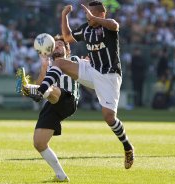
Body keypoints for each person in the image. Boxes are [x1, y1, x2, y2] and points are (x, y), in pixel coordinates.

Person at [25, 1, 134, 169]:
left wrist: (95, 18)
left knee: (109, 117)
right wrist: (64, 16)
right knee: (59, 62)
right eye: (86, 14)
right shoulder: (86, 29)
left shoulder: (108, 27)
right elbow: (67, 37)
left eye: (90, 14)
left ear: (101, 14)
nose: (87, 17)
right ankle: (40, 91)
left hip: (109, 76)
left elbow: (115, 24)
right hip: (91, 69)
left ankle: (127, 146)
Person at [18, 35, 80, 182]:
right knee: (39, 143)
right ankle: (61, 176)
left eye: (61, 44)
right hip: (52, 103)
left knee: (49, 89)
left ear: (67, 49)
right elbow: (41, 85)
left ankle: (31, 89)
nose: (58, 46)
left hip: (68, 99)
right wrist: (44, 67)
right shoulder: (50, 65)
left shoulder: (74, 60)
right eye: (55, 45)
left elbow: (88, 68)